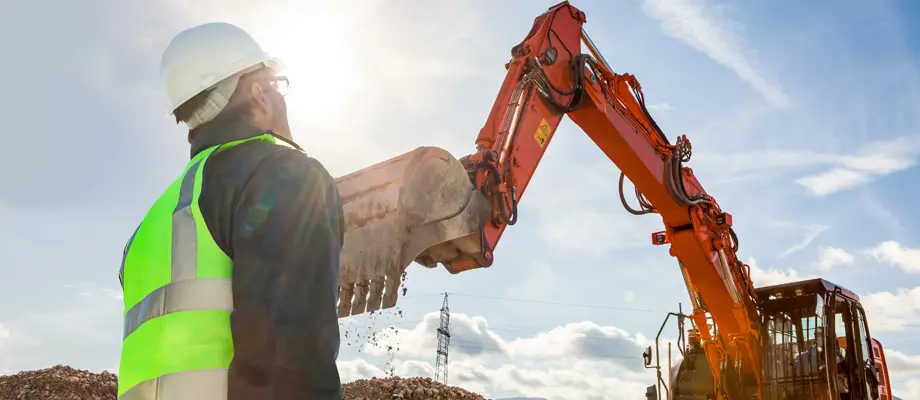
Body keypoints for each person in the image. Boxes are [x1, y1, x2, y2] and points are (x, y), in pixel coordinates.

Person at [116, 22, 344, 400]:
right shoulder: (282, 176)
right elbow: (287, 367)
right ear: (260, 93)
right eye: (278, 83)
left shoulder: (149, 228)